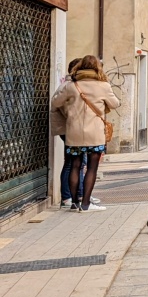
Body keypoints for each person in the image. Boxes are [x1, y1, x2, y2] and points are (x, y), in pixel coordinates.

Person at [51, 55, 119, 212]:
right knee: (92, 168)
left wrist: (69, 109)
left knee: (74, 165)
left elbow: (55, 103)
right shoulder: (103, 86)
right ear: (97, 68)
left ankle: (74, 203)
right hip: (95, 134)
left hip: (73, 133)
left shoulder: (71, 86)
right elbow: (115, 104)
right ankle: (86, 203)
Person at [52, 58, 98, 208]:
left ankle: (78, 196)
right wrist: (72, 116)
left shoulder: (68, 85)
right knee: (73, 163)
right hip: (70, 129)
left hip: (71, 128)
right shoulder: (70, 86)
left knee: (76, 162)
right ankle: (70, 198)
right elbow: (59, 105)